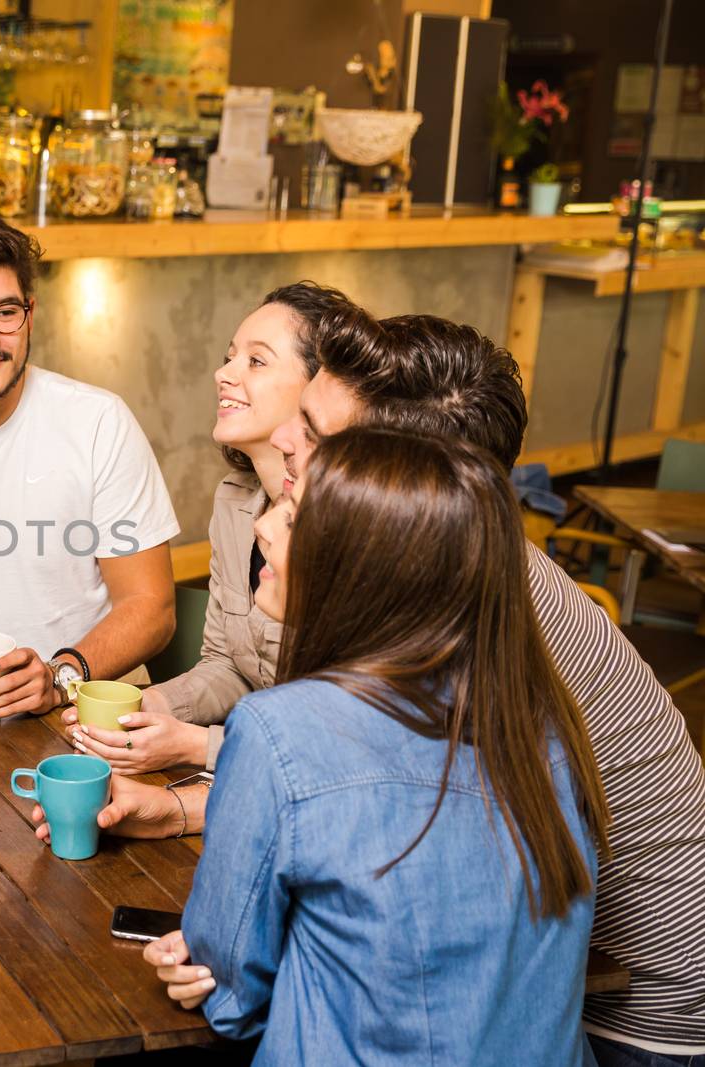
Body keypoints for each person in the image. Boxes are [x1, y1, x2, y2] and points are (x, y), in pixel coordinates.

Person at [259, 311, 705, 1067]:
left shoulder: (470, 604)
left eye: (317, 434)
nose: (282, 441)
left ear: (410, 484)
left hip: (635, 1000)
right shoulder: (448, 562)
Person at [158, 427, 609, 1064]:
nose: (264, 528)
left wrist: (209, 962)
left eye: (294, 514)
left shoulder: (277, 731)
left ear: (359, 563)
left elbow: (234, 999)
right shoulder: (544, 724)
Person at [0, 212, 178, 716]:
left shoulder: (96, 422)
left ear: (30, 314)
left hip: (81, 701)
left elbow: (152, 607)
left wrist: (62, 675)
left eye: (5, 311)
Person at [64, 281, 356, 776]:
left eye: (256, 362)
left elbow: (343, 731)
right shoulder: (234, 500)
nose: (224, 373)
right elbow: (229, 666)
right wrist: (150, 709)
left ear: (319, 385)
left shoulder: (354, 521)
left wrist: (199, 746)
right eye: (230, 357)